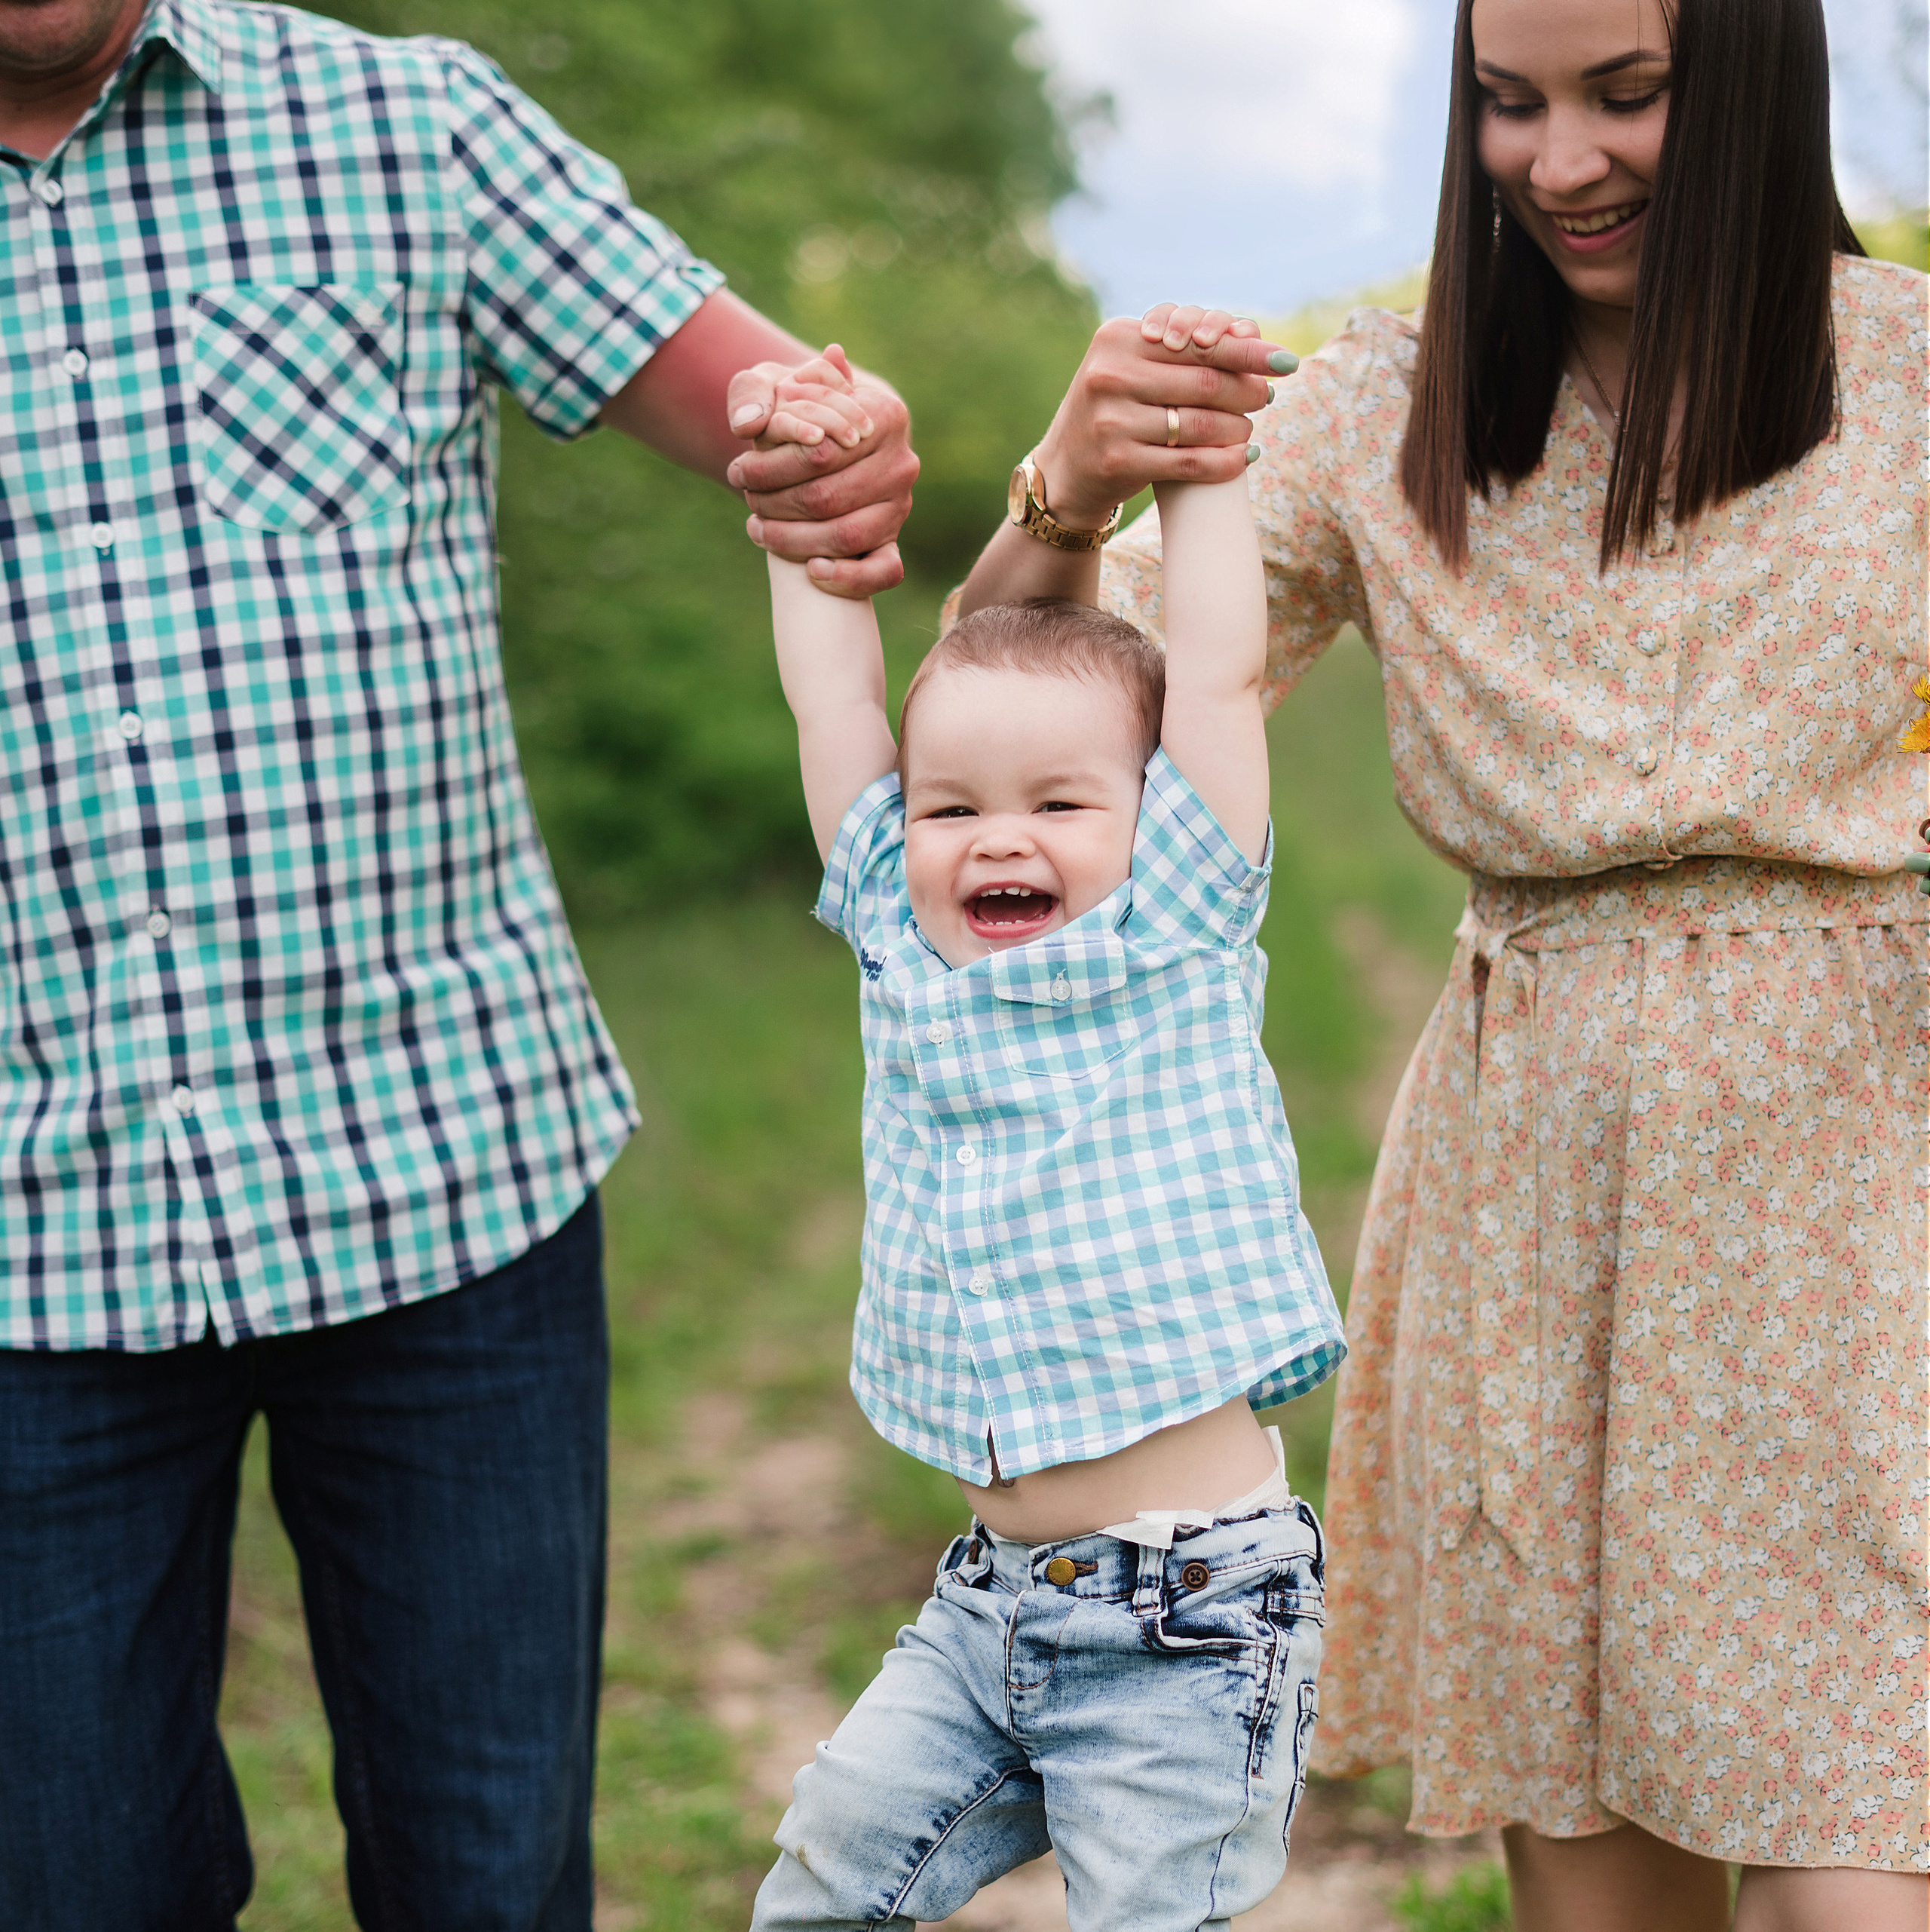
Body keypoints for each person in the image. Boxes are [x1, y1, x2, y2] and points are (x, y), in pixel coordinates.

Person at [950, 0, 1928, 1927]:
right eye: (1504, 103)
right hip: (1538, 1199)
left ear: (1750, 82)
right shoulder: (1383, 412)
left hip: (1862, 1195)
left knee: (1854, 1871)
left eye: (1624, 96)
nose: (1556, 162)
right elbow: (1029, 730)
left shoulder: (1903, 380)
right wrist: (1066, 488)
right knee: (1598, 1878)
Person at [0, 2, 917, 1927]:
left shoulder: (404, 123)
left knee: (486, 1889)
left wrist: (829, 444)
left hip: (444, 1183)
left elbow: (774, 411)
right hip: (26, 1248)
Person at [746, 364, 1343, 1925]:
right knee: (822, 1887)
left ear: (1149, 816)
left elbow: (1218, 678)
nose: (995, 836)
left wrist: (1203, 467)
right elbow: (832, 705)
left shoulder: (1176, 921)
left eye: (1059, 804)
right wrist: (799, 512)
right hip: (986, 1608)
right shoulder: (897, 932)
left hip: (1190, 1611)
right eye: (949, 809)